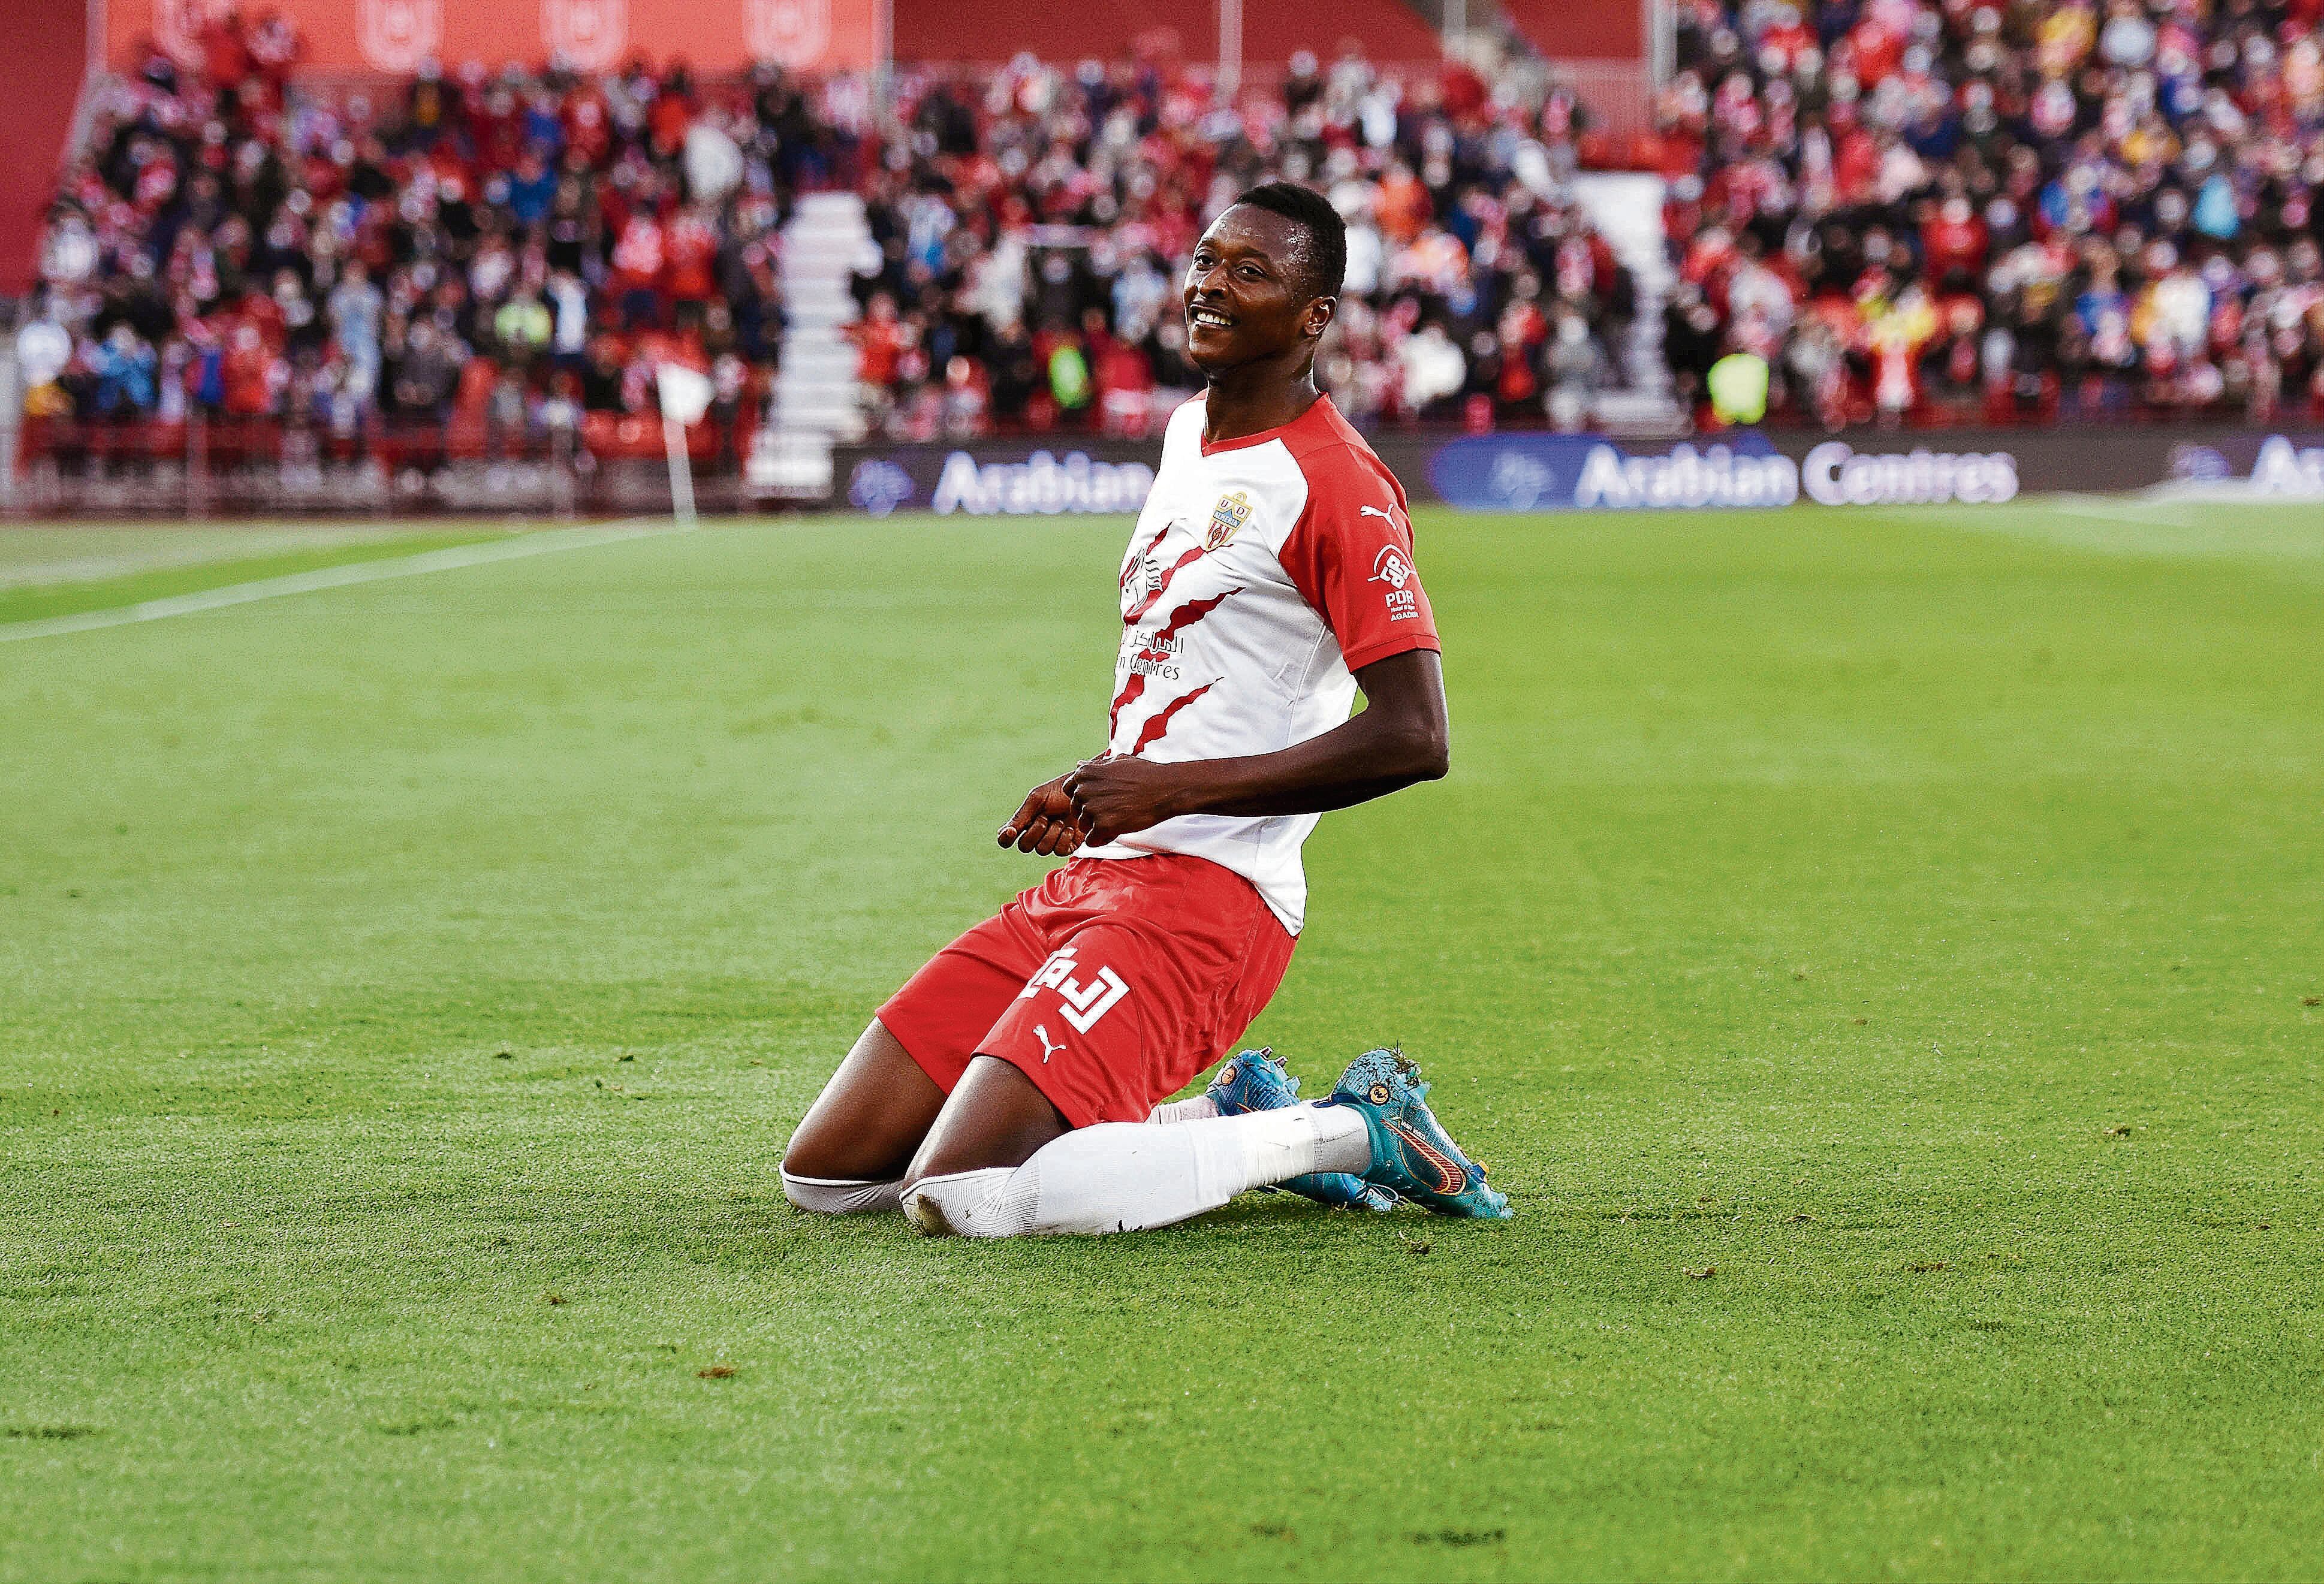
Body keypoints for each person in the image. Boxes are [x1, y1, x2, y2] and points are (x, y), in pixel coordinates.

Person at [780, 183, 1510, 1238]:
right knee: (832, 1178)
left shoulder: (1338, 487)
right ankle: (1224, 1114)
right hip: (1097, 877)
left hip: (1211, 902)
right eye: (1207, 259)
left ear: (1314, 317)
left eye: (1250, 271)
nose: (1210, 283)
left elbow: (1415, 735)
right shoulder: (1185, 438)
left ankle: (1350, 1131)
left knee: (964, 1198)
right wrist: (1099, 783)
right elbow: (1193, 677)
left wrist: (1164, 790)